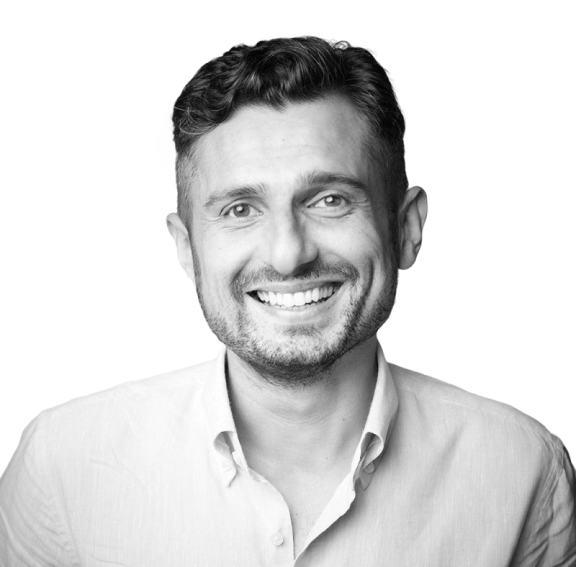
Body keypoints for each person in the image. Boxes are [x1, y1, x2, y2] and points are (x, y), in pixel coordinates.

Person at [0, 36, 574, 566]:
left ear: (405, 228)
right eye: (240, 209)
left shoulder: (524, 472)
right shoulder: (61, 470)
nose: (287, 254)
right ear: (187, 248)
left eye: (329, 200)